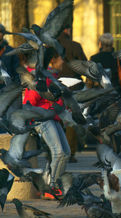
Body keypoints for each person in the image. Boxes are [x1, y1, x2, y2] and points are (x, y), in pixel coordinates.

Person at [23, 47, 70, 191]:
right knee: (59, 152)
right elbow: (30, 101)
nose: (64, 61)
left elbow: (58, 99)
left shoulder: (50, 76)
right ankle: (52, 186)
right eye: (62, 58)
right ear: (53, 60)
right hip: (42, 119)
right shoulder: (39, 76)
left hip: (52, 117)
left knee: (66, 152)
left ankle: (52, 183)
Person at [58, 25, 87, 163]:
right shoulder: (75, 46)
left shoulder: (50, 47)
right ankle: (70, 151)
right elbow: (84, 65)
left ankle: (56, 150)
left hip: (56, 85)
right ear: (67, 30)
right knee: (71, 119)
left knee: (56, 117)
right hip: (74, 85)